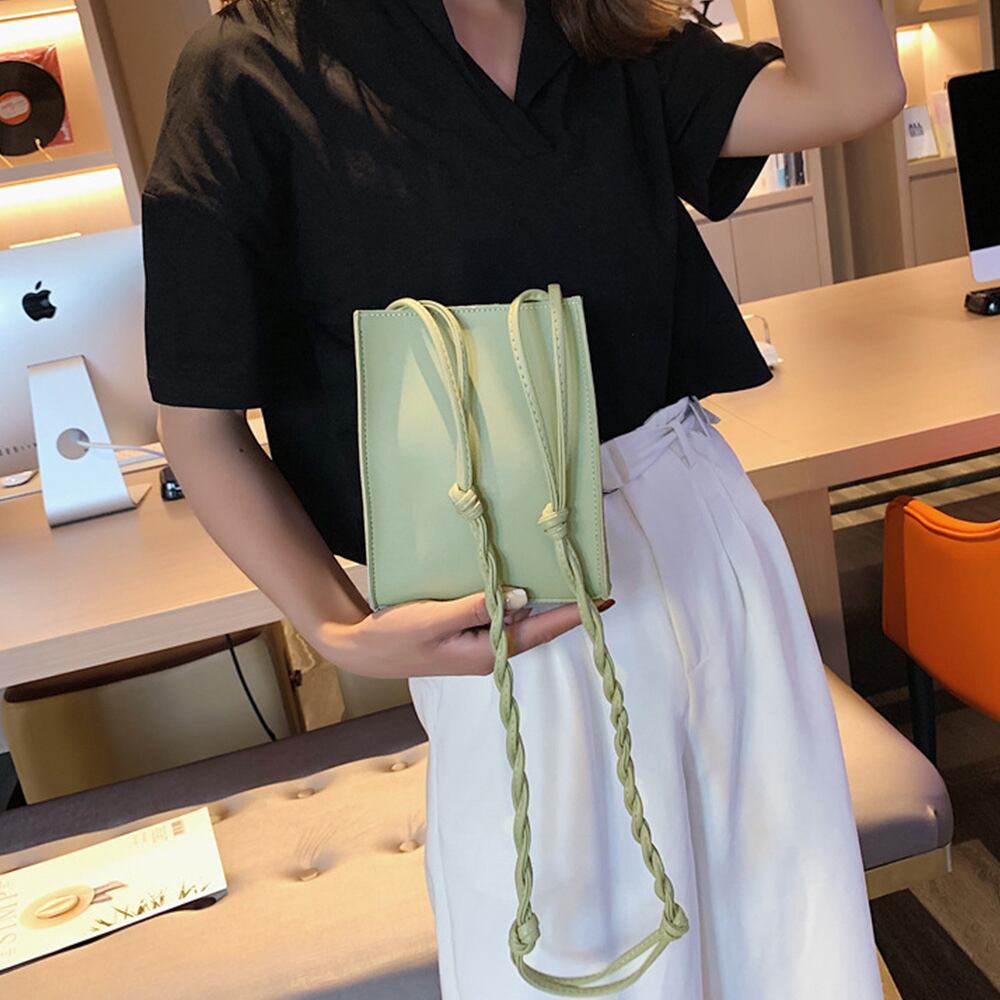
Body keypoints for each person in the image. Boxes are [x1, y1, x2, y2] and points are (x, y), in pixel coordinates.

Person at [142, 0, 905, 995]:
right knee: (579, 955)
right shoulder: (252, 71)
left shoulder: (600, 31)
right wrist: (336, 627)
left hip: (707, 544)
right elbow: (198, 426)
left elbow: (857, 89)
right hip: (506, 602)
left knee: (788, 941)